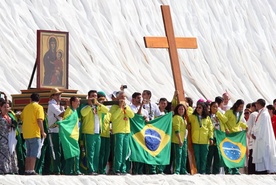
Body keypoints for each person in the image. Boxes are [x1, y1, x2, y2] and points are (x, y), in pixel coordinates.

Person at [80, 90, 109, 175]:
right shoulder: (85, 106)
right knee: (90, 152)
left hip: (97, 133)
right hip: (89, 132)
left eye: (96, 96)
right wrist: (90, 105)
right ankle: (90, 169)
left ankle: (95, 169)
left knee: (97, 153)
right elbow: (83, 113)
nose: (94, 97)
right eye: (92, 95)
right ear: (89, 97)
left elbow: (106, 110)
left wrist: (98, 104)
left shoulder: (98, 107)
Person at [109, 91, 134, 175]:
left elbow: (132, 115)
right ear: (117, 98)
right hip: (118, 131)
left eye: (124, 97)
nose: (123, 99)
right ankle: (117, 168)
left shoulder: (127, 107)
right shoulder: (114, 107)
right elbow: (113, 117)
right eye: (122, 97)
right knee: (118, 150)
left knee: (125, 151)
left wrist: (125, 107)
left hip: (126, 131)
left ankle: (123, 168)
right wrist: (120, 108)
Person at [21, 93, 46, 175]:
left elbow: (22, 117)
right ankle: (31, 170)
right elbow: (39, 120)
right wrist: (42, 131)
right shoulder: (39, 107)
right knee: (34, 153)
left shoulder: (26, 107)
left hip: (26, 133)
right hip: (35, 133)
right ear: (39, 100)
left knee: (28, 152)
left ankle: (27, 169)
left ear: (30, 99)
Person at [252, 99, 276, 174]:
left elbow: (262, 127)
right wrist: (253, 132)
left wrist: (256, 135)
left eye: (257, 104)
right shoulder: (261, 113)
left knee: (264, 155)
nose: (256, 105)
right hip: (260, 138)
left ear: (259, 104)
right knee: (261, 155)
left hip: (263, 138)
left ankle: (265, 170)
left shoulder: (264, 114)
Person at [189, 102, 213, 174]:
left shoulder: (207, 118)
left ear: (203, 109)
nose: (198, 109)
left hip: (205, 140)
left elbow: (210, 129)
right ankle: (197, 170)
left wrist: (211, 138)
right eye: (197, 107)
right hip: (195, 140)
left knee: (204, 158)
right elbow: (187, 121)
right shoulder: (192, 117)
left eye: (200, 107)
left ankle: (202, 171)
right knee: (197, 157)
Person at [224, 99, 247, 174]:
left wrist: (245, 126)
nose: (241, 108)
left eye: (242, 107)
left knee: (236, 152)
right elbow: (224, 121)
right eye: (240, 106)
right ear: (236, 105)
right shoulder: (229, 112)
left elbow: (239, 123)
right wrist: (226, 129)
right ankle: (228, 169)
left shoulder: (240, 113)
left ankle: (235, 169)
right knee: (228, 152)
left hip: (237, 135)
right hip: (230, 134)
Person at [206, 102, 228, 174]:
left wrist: (218, 113)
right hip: (211, 137)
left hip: (219, 137)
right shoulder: (208, 116)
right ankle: (208, 171)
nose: (215, 108)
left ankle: (216, 172)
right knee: (210, 155)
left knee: (218, 156)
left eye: (216, 107)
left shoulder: (219, 116)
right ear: (210, 107)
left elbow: (225, 120)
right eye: (213, 107)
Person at [47, 88, 65, 175]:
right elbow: (61, 114)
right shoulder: (52, 105)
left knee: (60, 151)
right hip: (53, 131)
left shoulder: (59, 105)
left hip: (59, 131)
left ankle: (59, 168)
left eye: (59, 94)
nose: (59, 96)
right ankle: (55, 169)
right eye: (57, 94)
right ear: (52, 96)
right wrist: (69, 108)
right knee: (55, 151)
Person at [0, 101, 18, 174]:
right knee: (3, 155)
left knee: (11, 154)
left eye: (7, 107)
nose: (6, 109)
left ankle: (11, 169)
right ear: (0, 107)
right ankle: (3, 170)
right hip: (2, 139)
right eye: (4, 107)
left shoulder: (10, 117)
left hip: (10, 139)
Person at [171, 104, 188, 175]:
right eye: (179, 109)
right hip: (177, 140)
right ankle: (176, 170)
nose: (181, 111)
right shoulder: (176, 117)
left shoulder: (183, 118)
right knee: (177, 156)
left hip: (183, 139)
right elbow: (176, 129)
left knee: (184, 155)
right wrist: (180, 139)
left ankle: (182, 169)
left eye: (182, 109)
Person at [97, 92, 112, 174]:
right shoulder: (99, 110)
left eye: (104, 100)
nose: (102, 102)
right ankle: (100, 169)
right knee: (101, 153)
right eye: (100, 100)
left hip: (107, 134)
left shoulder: (108, 112)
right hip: (101, 134)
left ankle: (103, 168)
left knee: (107, 153)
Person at [246, 102, 258, 174]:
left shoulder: (253, 114)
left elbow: (248, 126)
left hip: (252, 137)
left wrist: (248, 134)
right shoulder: (260, 114)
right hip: (258, 138)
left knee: (251, 155)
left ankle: (251, 170)